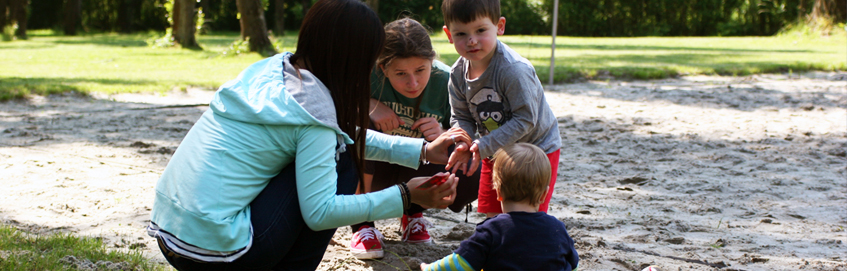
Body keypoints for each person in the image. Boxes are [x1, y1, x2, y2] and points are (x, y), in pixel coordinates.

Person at [145, 1, 471, 270]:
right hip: (216, 253)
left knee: (338, 147)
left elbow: (340, 133)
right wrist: (406, 195)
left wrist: (423, 152)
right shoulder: (314, 113)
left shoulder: (274, 68)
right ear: (353, 59)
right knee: (342, 161)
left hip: (171, 236)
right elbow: (320, 213)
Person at [348, 18, 483, 260]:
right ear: (382, 68)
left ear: (432, 61)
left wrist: (444, 132)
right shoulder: (365, 76)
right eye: (401, 73)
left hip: (419, 166)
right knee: (356, 125)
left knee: (473, 161)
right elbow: (333, 106)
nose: (413, 83)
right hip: (374, 170)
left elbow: (468, 130)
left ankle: (413, 212)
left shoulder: (448, 80)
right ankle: (362, 224)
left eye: (421, 70)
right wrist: (368, 105)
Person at [441, 0, 563, 218]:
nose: (471, 40)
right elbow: (461, 116)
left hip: (536, 149)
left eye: (480, 30)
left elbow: (526, 119)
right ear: (449, 35)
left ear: (499, 26)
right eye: (461, 34)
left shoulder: (513, 70)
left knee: (526, 214)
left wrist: (484, 144)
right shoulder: (457, 73)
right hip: (494, 151)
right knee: (492, 214)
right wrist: (464, 141)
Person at [421, 143, 579, 271]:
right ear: (543, 195)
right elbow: (573, 264)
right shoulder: (557, 229)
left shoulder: (492, 230)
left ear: (498, 193)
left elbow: (460, 263)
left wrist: (429, 268)